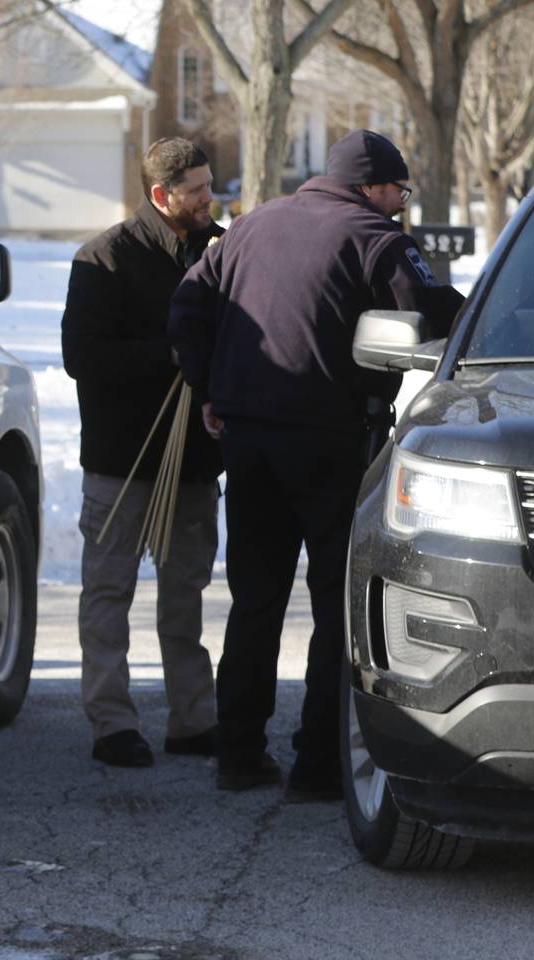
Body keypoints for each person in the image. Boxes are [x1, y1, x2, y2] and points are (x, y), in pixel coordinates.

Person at [168, 129, 464, 798]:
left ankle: (238, 755)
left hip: (248, 440)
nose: (400, 203)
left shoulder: (249, 226)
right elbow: (438, 316)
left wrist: (210, 385)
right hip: (331, 441)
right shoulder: (377, 238)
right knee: (337, 602)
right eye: (397, 190)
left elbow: (187, 306)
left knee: (255, 598)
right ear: (370, 187)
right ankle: (318, 764)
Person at [62, 138, 224, 768]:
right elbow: (83, 357)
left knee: (186, 596)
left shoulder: (220, 250)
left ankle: (193, 720)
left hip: (194, 463)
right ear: (162, 196)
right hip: (121, 460)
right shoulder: (104, 256)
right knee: (108, 593)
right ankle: (112, 724)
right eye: (197, 191)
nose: (210, 199)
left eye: (211, 186)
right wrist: (171, 355)